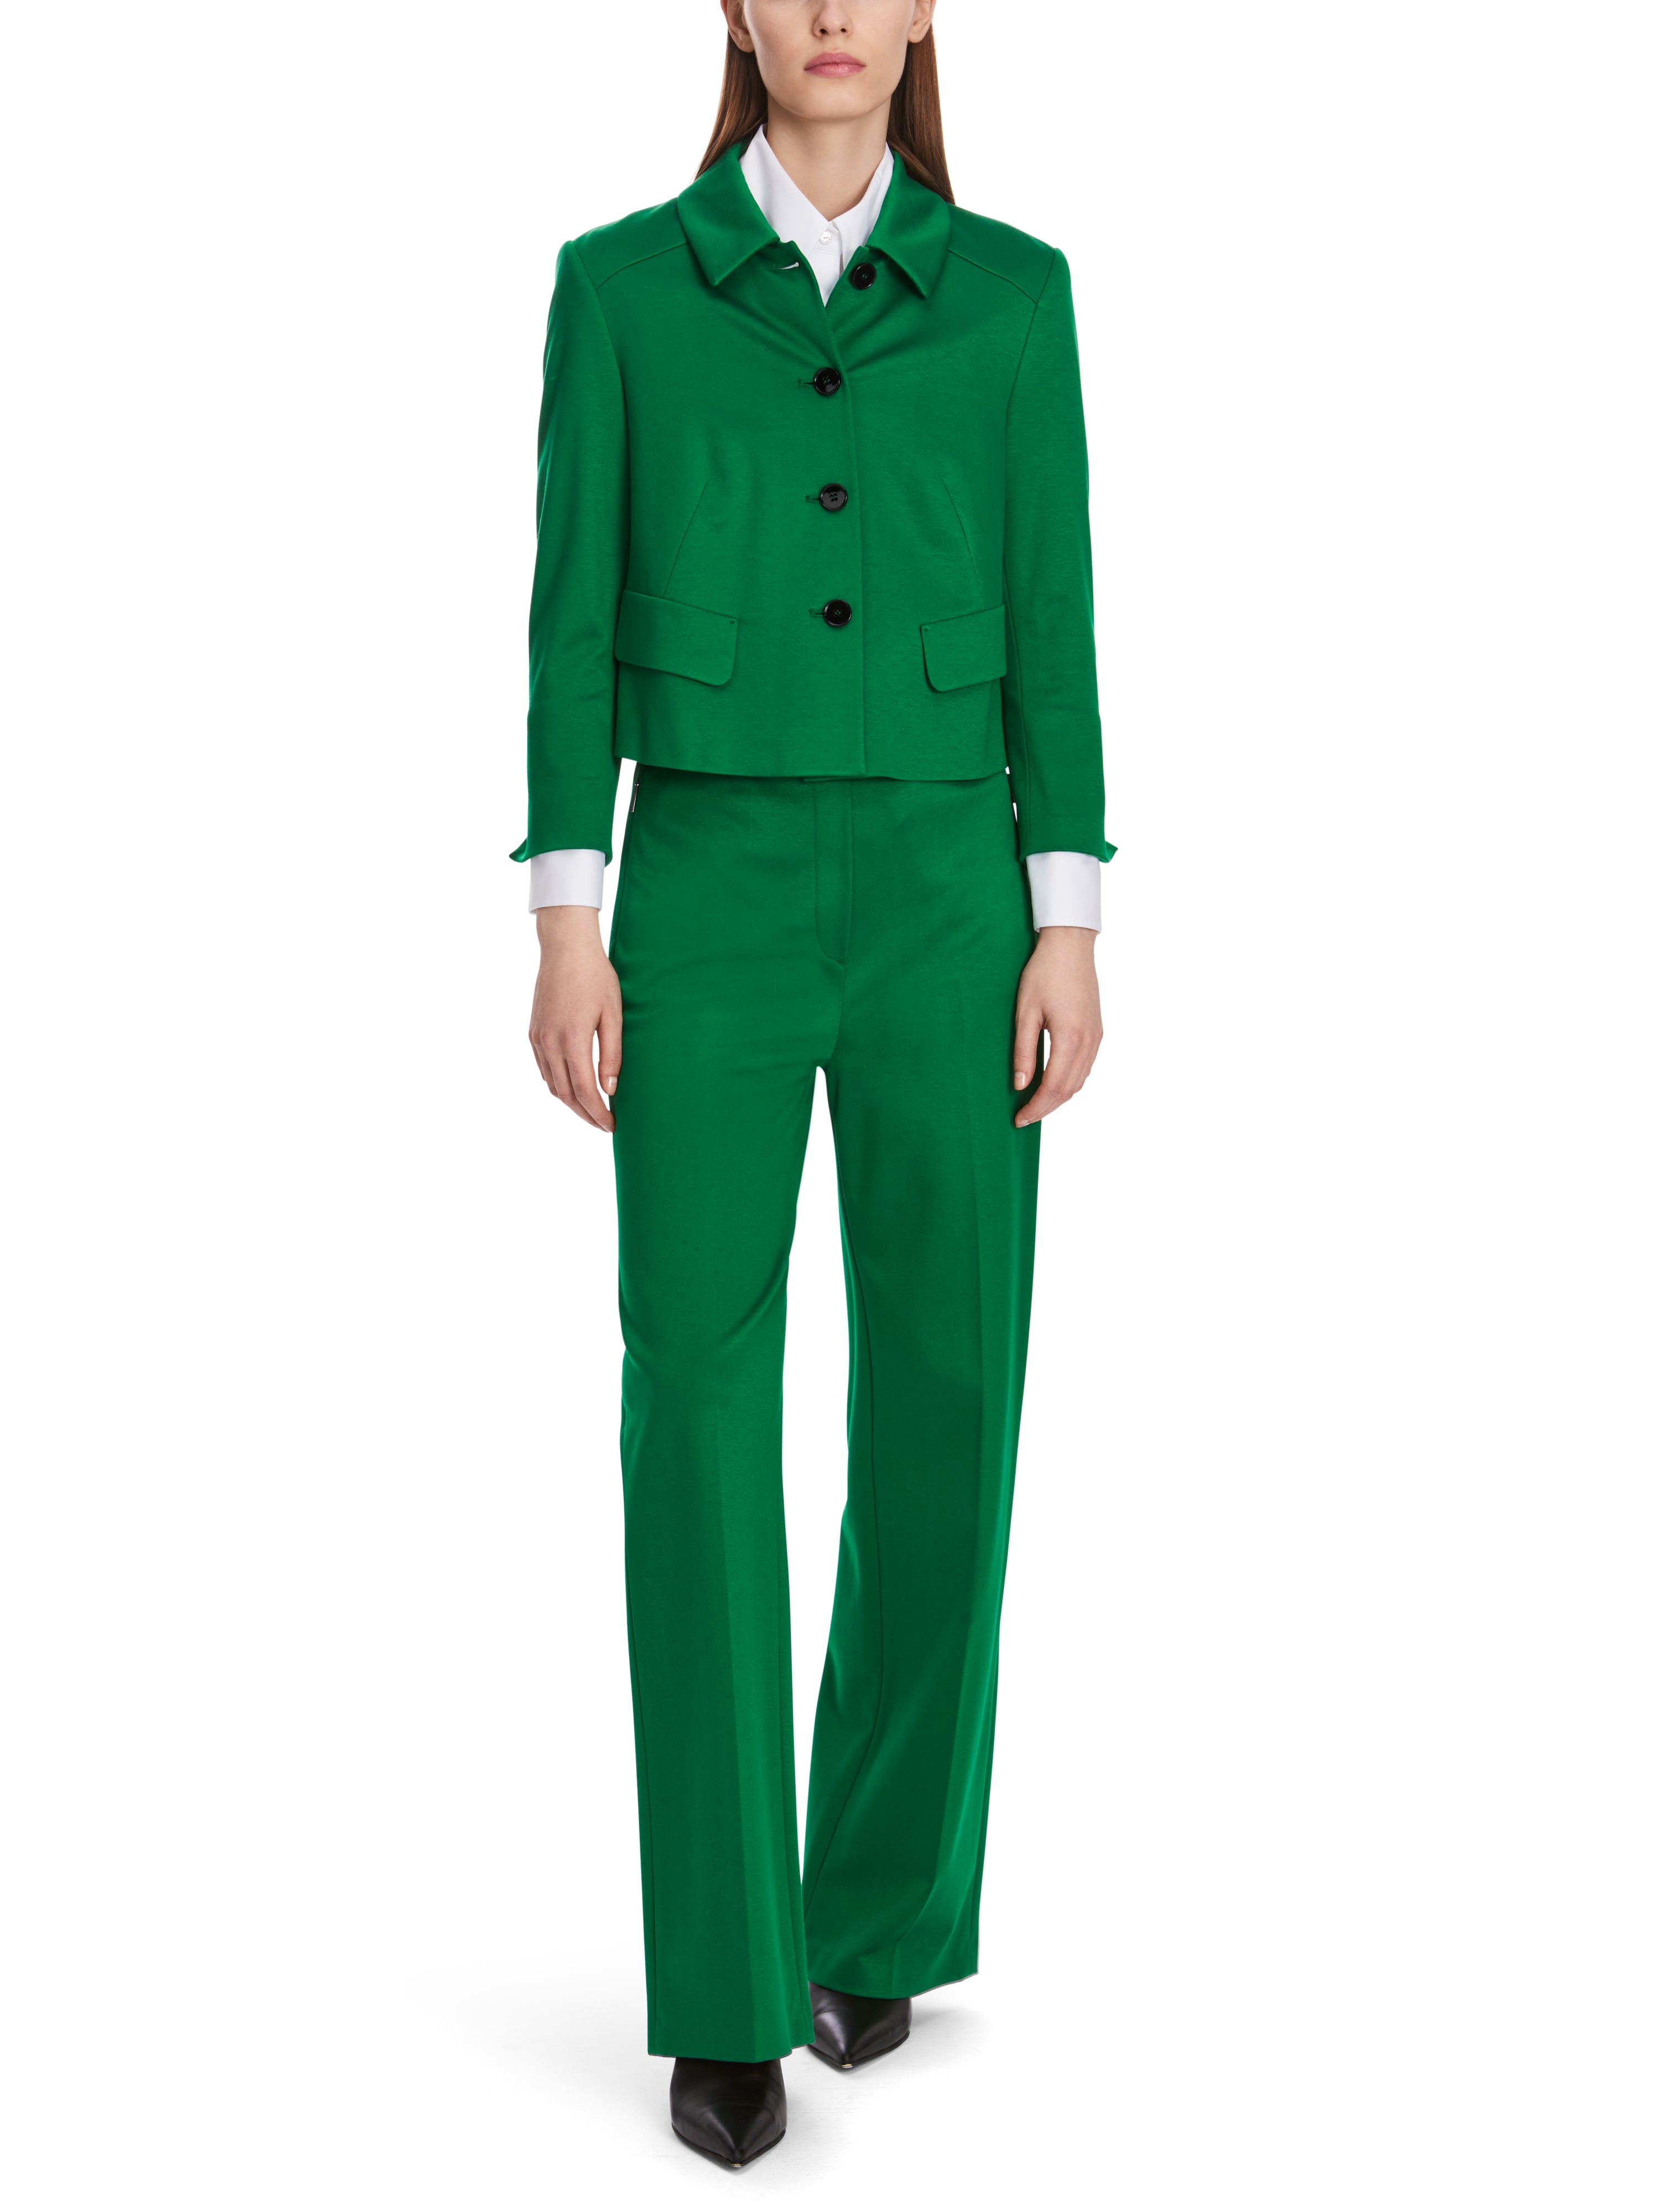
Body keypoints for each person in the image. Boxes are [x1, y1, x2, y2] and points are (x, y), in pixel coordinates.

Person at [517, 0, 1112, 2169]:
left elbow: (1055, 600)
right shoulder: (619, 289)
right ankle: (726, 1983)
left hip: (958, 893)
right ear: (741, 10)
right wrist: (567, 912)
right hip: (707, 893)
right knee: (695, 1408)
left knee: (950, 1392)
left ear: (926, 9)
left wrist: (1070, 911)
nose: (837, 12)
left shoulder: (1017, 299)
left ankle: (875, 1912)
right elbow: (567, 610)